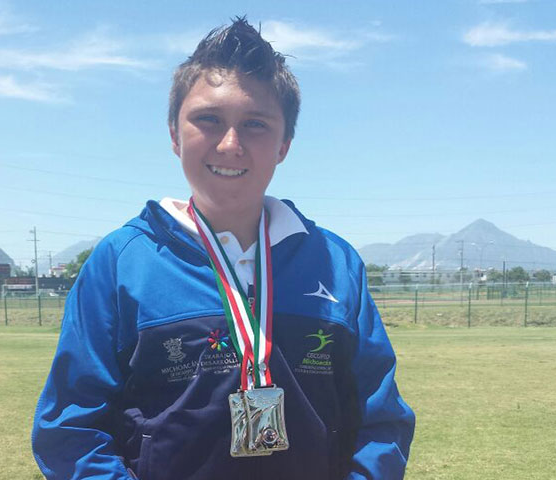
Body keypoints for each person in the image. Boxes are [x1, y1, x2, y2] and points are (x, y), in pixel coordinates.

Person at [32, 17, 414, 480]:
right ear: (174, 135)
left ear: (284, 145)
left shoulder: (335, 263)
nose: (231, 144)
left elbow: (381, 419)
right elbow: (70, 428)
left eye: (255, 124)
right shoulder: (122, 261)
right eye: (209, 120)